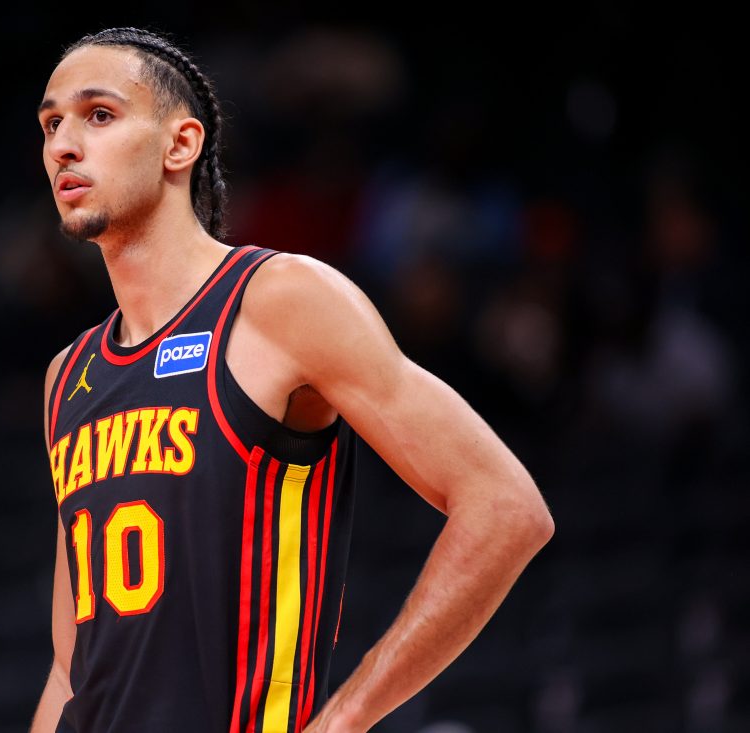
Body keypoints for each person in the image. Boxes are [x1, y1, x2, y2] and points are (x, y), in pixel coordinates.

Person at [30, 27, 554, 733]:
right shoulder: (69, 376)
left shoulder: (279, 299)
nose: (64, 143)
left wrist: (343, 720)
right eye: (52, 122)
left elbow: (506, 506)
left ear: (179, 145)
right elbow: (71, 668)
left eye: (98, 115)